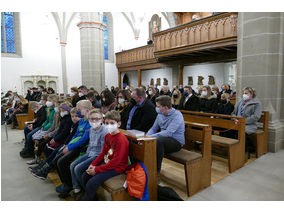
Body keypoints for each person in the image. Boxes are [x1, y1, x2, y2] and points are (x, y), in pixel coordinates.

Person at [81, 110, 129, 201]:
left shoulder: (121, 139)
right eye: (107, 123)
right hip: (108, 163)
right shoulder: (108, 136)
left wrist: (96, 169)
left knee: (92, 182)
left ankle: (87, 199)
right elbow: (103, 153)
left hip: (117, 168)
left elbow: (116, 162)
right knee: (85, 175)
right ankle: (91, 198)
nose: (109, 125)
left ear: (118, 124)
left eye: (112, 123)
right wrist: (93, 165)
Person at [55, 100, 92, 197]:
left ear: (87, 110)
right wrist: (67, 145)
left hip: (81, 147)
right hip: (75, 145)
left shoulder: (90, 122)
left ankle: (69, 185)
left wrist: (70, 147)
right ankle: (65, 183)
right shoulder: (82, 120)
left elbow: (84, 139)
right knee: (57, 159)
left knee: (62, 162)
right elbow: (75, 135)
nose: (78, 112)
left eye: (79, 110)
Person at [29, 107, 80, 179]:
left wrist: (64, 143)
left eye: (76, 116)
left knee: (56, 153)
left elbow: (68, 134)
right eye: (73, 116)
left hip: (68, 144)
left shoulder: (75, 123)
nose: (74, 118)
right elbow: (63, 132)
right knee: (51, 149)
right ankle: (43, 167)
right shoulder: (73, 123)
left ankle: (45, 170)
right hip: (66, 142)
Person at [70, 109, 108, 200]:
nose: (94, 121)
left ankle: (88, 193)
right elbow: (90, 145)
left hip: (98, 156)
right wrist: (86, 156)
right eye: (91, 119)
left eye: (97, 119)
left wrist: (92, 160)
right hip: (90, 153)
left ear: (102, 120)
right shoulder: (91, 129)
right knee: (72, 165)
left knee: (78, 168)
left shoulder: (104, 132)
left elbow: (103, 151)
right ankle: (77, 189)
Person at [146, 95, 185, 174]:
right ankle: (147, 168)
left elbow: (168, 133)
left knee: (158, 141)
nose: (156, 108)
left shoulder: (177, 115)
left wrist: (151, 136)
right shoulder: (160, 114)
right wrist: (146, 136)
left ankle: (156, 172)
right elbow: (153, 129)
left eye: (158, 106)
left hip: (176, 142)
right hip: (164, 139)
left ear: (166, 107)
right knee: (149, 142)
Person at [233, 87, 262, 158]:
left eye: (246, 93)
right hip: (237, 122)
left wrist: (242, 121)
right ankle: (235, 149)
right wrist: (235, 119)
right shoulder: (240, 102)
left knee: (241, 131)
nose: (244, 95)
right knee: (230, 131)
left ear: (252, 94)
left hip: (249, 124)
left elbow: (256, 116)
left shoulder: (256, 103)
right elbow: (233, 113)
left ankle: (245, 152)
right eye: (243, 93)